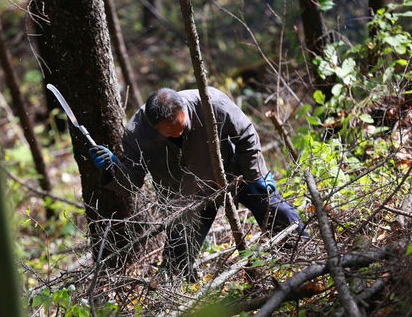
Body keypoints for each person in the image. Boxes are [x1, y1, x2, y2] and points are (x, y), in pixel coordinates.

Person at [89, 87, 307, 280]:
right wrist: (113, 168)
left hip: (233, 173)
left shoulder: (211, 103)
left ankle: (306, 258)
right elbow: (132, 180)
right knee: (177, 258)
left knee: (280, 214)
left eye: (181, 127)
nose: (178, 133)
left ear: (183, 109)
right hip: (186, 195)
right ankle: (184, 297)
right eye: (171, 132)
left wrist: (255, 174)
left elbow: (246, 134)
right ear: (154, 126)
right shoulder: (138, 132)